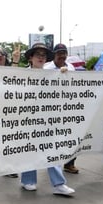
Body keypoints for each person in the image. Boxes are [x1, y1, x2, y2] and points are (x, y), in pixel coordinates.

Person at [19, 43, 75, 196]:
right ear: (31, 57)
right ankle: (28, 181)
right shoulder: (20, 75)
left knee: (52, 150)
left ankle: (59, 184)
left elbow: (64, 93)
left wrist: (63, 76)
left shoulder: (51, 74)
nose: (41, 57)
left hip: (47, 120)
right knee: (29, 150)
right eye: (38, 54)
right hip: (27, 119)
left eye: (43, 55)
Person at [44, 43, 79, 174]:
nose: (62, 56)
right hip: (51, 109)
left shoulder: (71, 68)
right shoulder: (47, 68)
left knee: (71, 137)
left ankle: (69, 163)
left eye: (64, 53)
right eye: (59, 53)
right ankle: (51, 164)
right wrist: (58, 74)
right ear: (54, 55)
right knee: (52, 140)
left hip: (68, 107)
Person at [0, 45, 20, 178]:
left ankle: (8, 168)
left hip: (8, 112)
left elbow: (14, 77)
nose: (0, 56)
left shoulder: (9, 69)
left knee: (9, 141)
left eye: (3, 54)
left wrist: (16, 60)